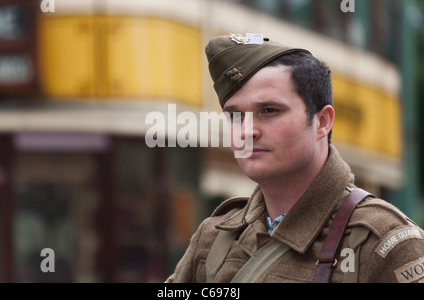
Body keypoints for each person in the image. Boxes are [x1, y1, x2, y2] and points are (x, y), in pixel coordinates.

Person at [166, 33, 424, 283]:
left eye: (268, 110)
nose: (247, 131)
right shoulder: (213, 239)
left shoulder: (383, 243)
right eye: (235, 116)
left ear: (322, 121)